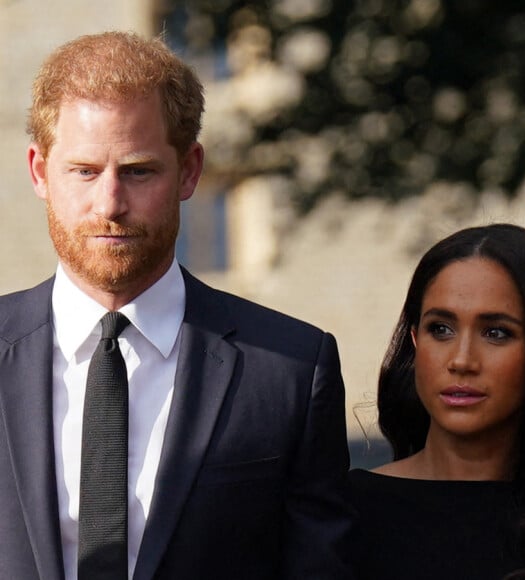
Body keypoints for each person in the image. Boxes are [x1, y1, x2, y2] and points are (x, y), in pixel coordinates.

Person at [0, 31, 354, 580]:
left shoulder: (290, 370)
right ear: (40, 172)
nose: (110, 203)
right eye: (85, 171)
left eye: (139, 170)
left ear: (190, 171)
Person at [349, 223, 525, 579]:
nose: (461, 360)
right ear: (414, 340)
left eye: (496, 332)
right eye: (440, 328)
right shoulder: (343, 513)